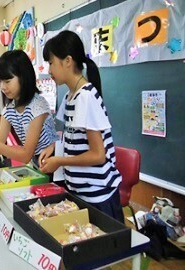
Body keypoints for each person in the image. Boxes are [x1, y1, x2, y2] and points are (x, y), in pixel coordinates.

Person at [39, 30, 124, 223]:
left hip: (97, 195)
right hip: (81, 191)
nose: (49, 70)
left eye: (51, 63)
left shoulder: (85, 96)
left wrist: (59, 161)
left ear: (68, 61)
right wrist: (53, 148)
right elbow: (72, 137)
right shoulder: (71, 95)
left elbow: (97, 155)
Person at [0, 50, 58, 168]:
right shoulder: (9, 110)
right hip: (38, 164)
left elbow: (26, 155)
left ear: (23, 77)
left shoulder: (38, 106)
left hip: (54, 163)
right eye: (0, 81)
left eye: (7, 81)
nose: (3, 87)